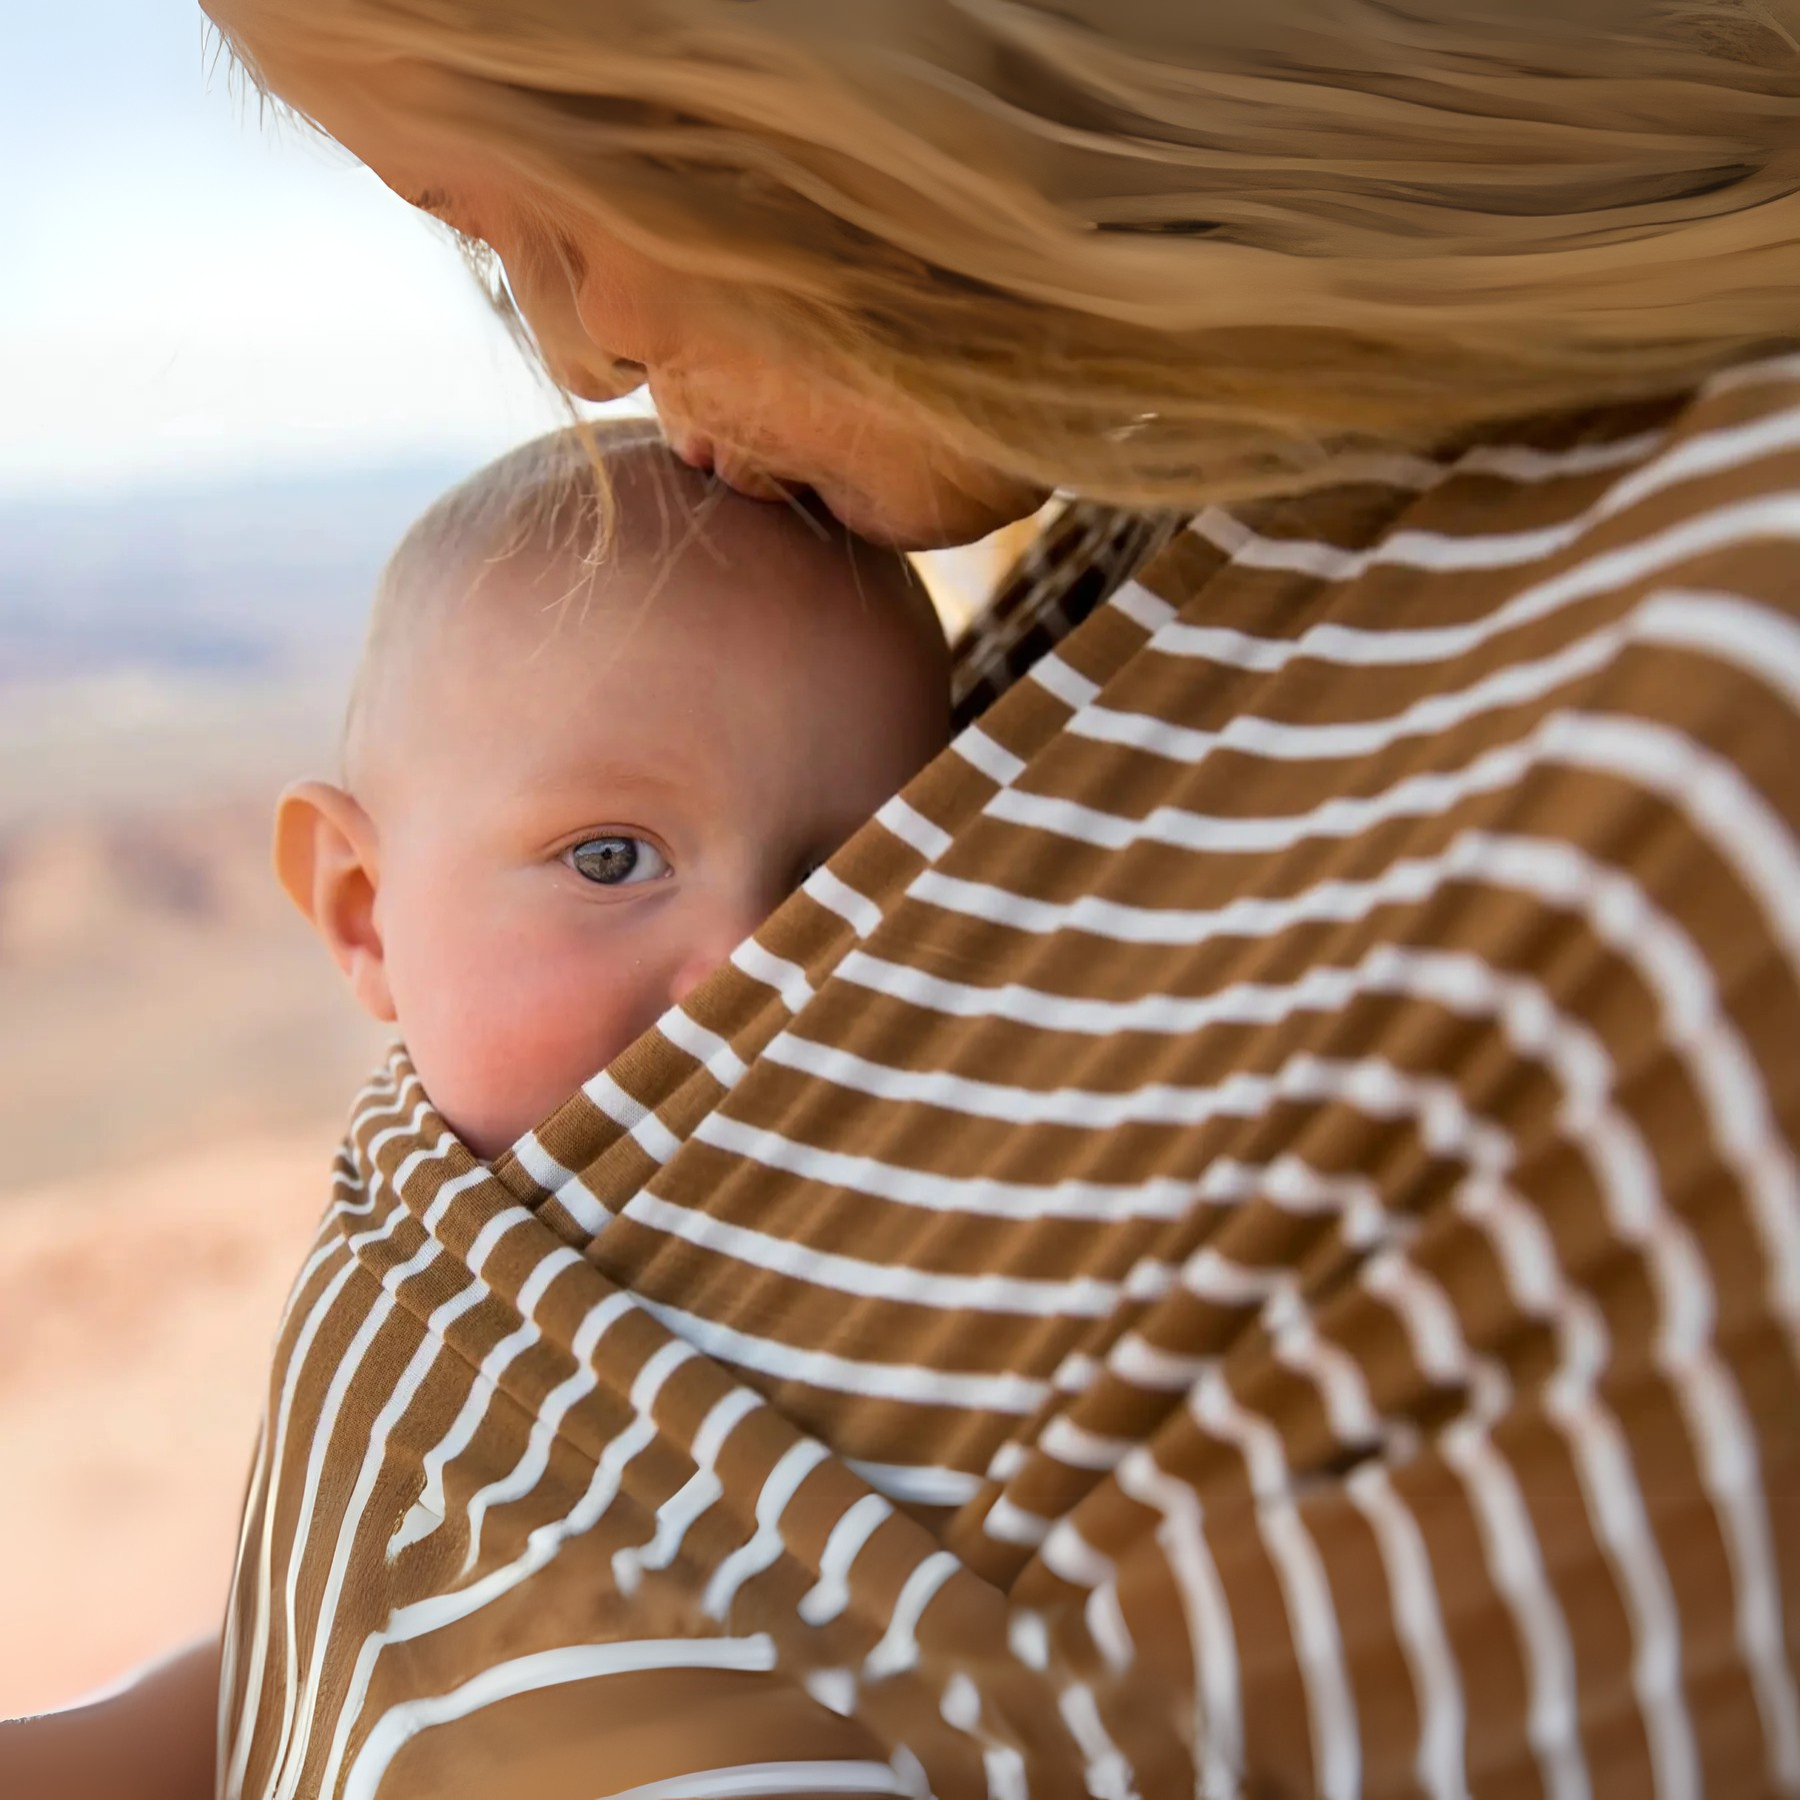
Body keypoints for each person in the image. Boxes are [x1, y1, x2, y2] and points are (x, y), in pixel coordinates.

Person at [6, 2, 1799, 1795]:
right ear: (356, 911)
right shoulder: (1166, 535)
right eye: (483, 243)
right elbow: (501, 1552)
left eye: (566, 205)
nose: (582, 350)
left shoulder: (1692, 730)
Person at [274, 422, 948, 1159]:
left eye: (839, 877)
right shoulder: (401, 1271)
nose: (751, 973)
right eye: (609, 860)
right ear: (365, 915)